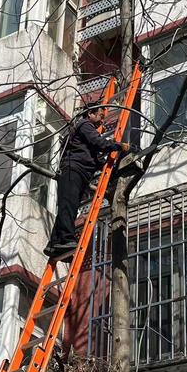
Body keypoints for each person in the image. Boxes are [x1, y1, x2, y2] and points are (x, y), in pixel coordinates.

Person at [44, 103, 130, 259]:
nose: (101, 120)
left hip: (79, 172)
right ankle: (66, 239)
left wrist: (113, 165)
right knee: (68, 205)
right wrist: (118, 146)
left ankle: (54, 244)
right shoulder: (84, 125)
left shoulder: (86, 135)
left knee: (69, 205)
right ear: (90, 113)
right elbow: (100, 143)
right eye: (100, 115)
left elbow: (97, 158)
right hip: (72, 169)